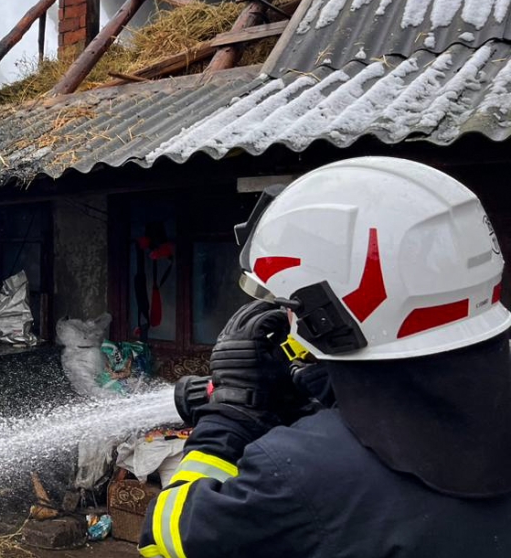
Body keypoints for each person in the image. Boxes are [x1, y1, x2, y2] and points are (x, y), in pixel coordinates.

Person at [142, 157, 511, 557]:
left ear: (329, 316)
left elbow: (167, 537)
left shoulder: (294, 472)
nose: (287, 316)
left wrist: (229, 418)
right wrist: (327, 389)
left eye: (288, 304)